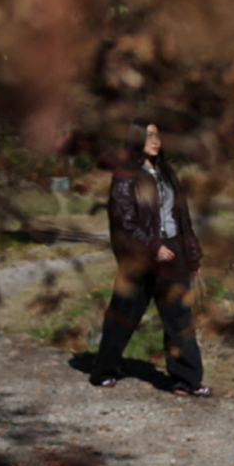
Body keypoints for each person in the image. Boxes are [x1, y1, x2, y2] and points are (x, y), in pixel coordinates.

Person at [90, 119, 209, 396]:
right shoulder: (125, 176)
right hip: (141, 256)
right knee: (123, 316)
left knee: (179, 317)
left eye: (158, 135)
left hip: (173, 252)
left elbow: (182, 217)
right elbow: (124, 222)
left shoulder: (167, 172)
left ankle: (187, 381)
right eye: (149, 136)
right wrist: (152, 245)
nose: (155, 141)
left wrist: (192, 254)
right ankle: (104, 369)